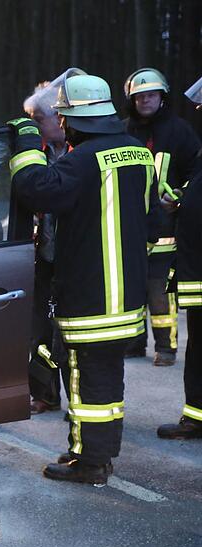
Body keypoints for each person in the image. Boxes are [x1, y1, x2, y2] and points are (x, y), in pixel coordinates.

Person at [8, 74, 157, 484]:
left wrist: (26, 143)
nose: (61, 125)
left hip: (92, 294)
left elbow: (35, 189)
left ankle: (90, 463)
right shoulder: (137, 151)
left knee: (87, 380)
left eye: (62, 118)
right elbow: (151, 218)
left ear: (73, 119)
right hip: (127, 293)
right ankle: (96, 453)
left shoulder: (83, 159)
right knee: (105, 380)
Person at [122, 68, 202, 365]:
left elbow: (197, 173)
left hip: (166, 226)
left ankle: (166, 348)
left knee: (159, 289)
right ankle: (133, 343)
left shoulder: (180, 131)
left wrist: (180, 195)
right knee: (131, 288)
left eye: (151, 95)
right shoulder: (122, 132)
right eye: (139, 96)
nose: (145, 101)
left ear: (162, 97)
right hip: (129, 224)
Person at [22, 77, 73, 414]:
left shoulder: (80, 152)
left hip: (74, 259)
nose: (35, 126)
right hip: (44, 255)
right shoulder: (37, 154)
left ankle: (79, 401)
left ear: (60, 117)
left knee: (68, 334)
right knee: (39, 331)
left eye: (39, 119)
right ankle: (44, 394)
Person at [157, 74, 202, 440]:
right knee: (199, 346)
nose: (199, 109)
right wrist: (183, 198)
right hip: (195, 265)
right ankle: (196, 417)